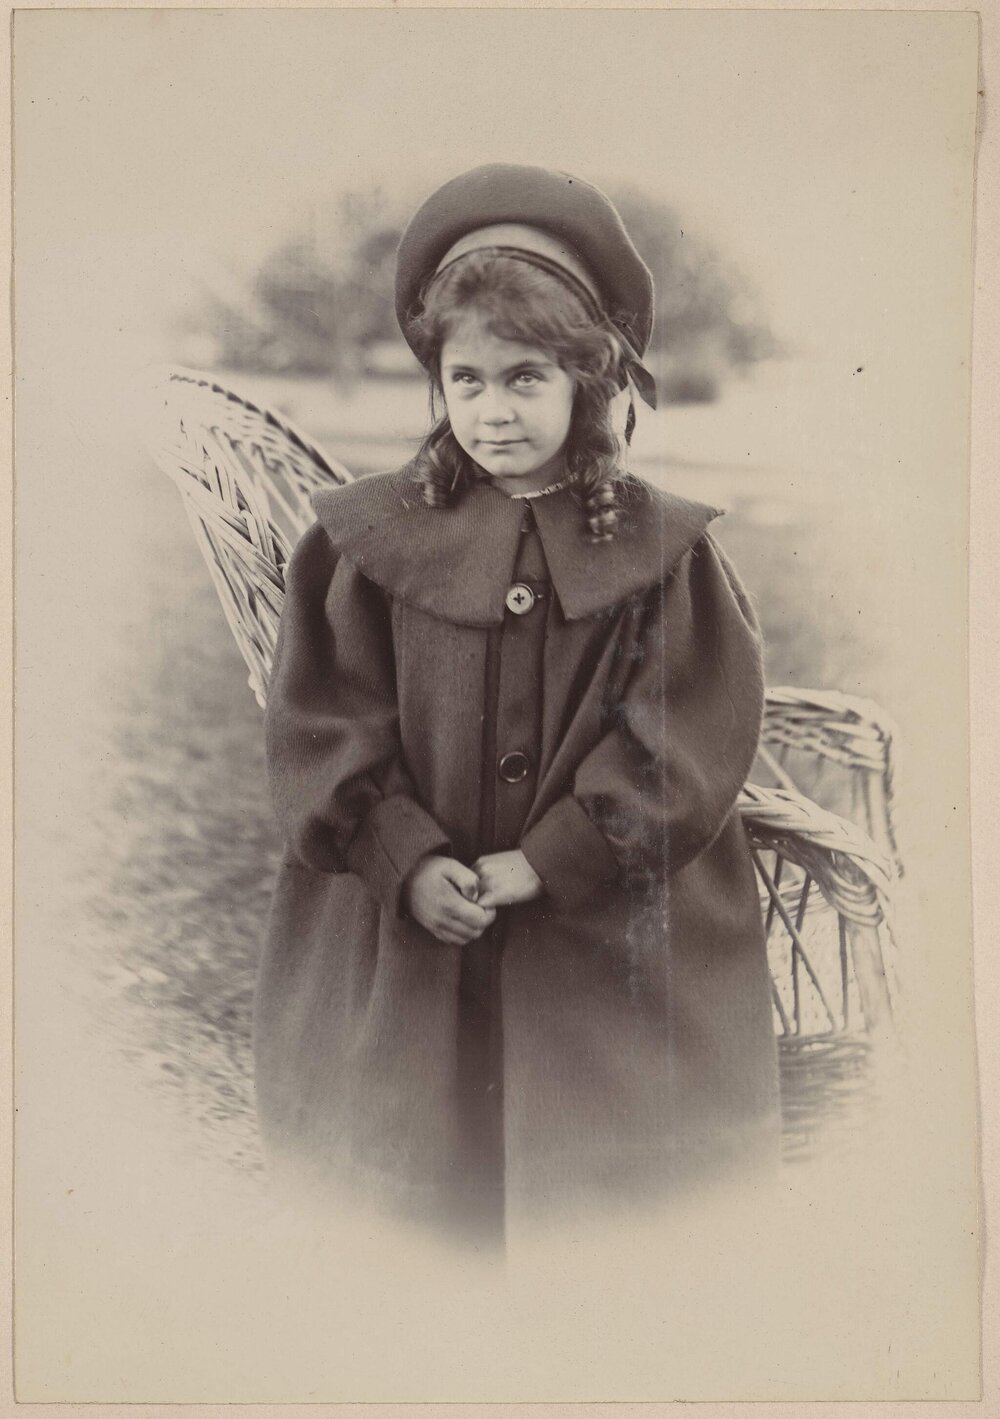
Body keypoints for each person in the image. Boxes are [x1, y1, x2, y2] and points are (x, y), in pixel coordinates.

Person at [254, 163, 780, 1246]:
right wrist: (400, 855)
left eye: (527, 378)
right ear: (437, 381)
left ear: (588, 378)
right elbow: (323, 723)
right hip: (406, 929)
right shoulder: (364, 543)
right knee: (414, 1197)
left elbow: (683, 738)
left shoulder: (664, 552)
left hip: (602, 935)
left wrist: (554, 857)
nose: (493, 411)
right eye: (468, 379)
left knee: (606, 1201)